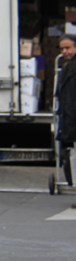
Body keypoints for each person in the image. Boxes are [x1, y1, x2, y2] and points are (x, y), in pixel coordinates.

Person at [55, 34, 76, 188]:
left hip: (72, 118)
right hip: (69, 119)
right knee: (71, 156)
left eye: (67, 47)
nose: (64, 51)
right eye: (62, 48)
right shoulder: (66, 68)